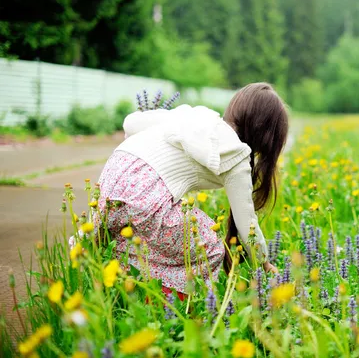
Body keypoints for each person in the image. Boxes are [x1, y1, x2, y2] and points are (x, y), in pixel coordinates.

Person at [92, 83, 287, 299]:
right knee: (209, 247)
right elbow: (246, 225)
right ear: (266, 137)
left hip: (110, 179)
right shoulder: (236, 154)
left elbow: (130, 122)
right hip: (145, 193)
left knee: (125, 241)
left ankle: (123, 292)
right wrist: (263, 263)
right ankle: (167, 306)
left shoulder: (195, 116)